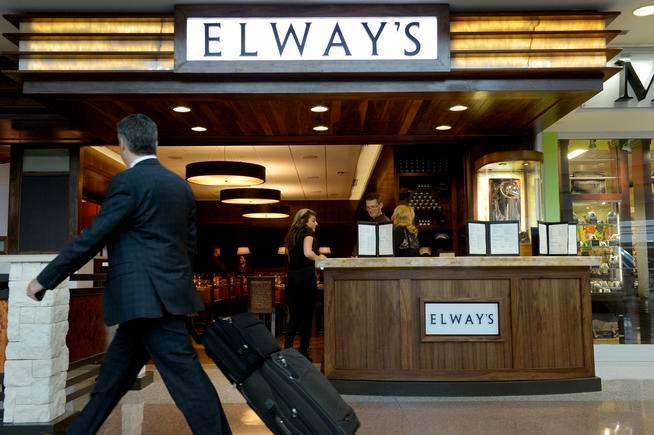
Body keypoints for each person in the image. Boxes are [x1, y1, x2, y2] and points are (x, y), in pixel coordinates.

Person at [26, 114, 231, 435]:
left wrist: (46, 278)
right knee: (111, 382)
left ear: (122, 144)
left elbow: (94, 236)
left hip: (145, 302)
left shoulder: (127, 182)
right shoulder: (180, 186)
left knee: (188, 384)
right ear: (156, 143)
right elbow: (189, 247)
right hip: (162, 299)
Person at [283, 208, 326, 359]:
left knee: (293, 318)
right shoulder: (308, 233)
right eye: (313, 220)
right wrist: (321, 258)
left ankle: (286, 351)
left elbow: (290, 259)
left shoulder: (291, 234)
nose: (316, 223)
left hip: (292, 278)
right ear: (305, 221)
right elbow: (308, 253)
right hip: (305, 278)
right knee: (307, 317)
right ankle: (303, 352)